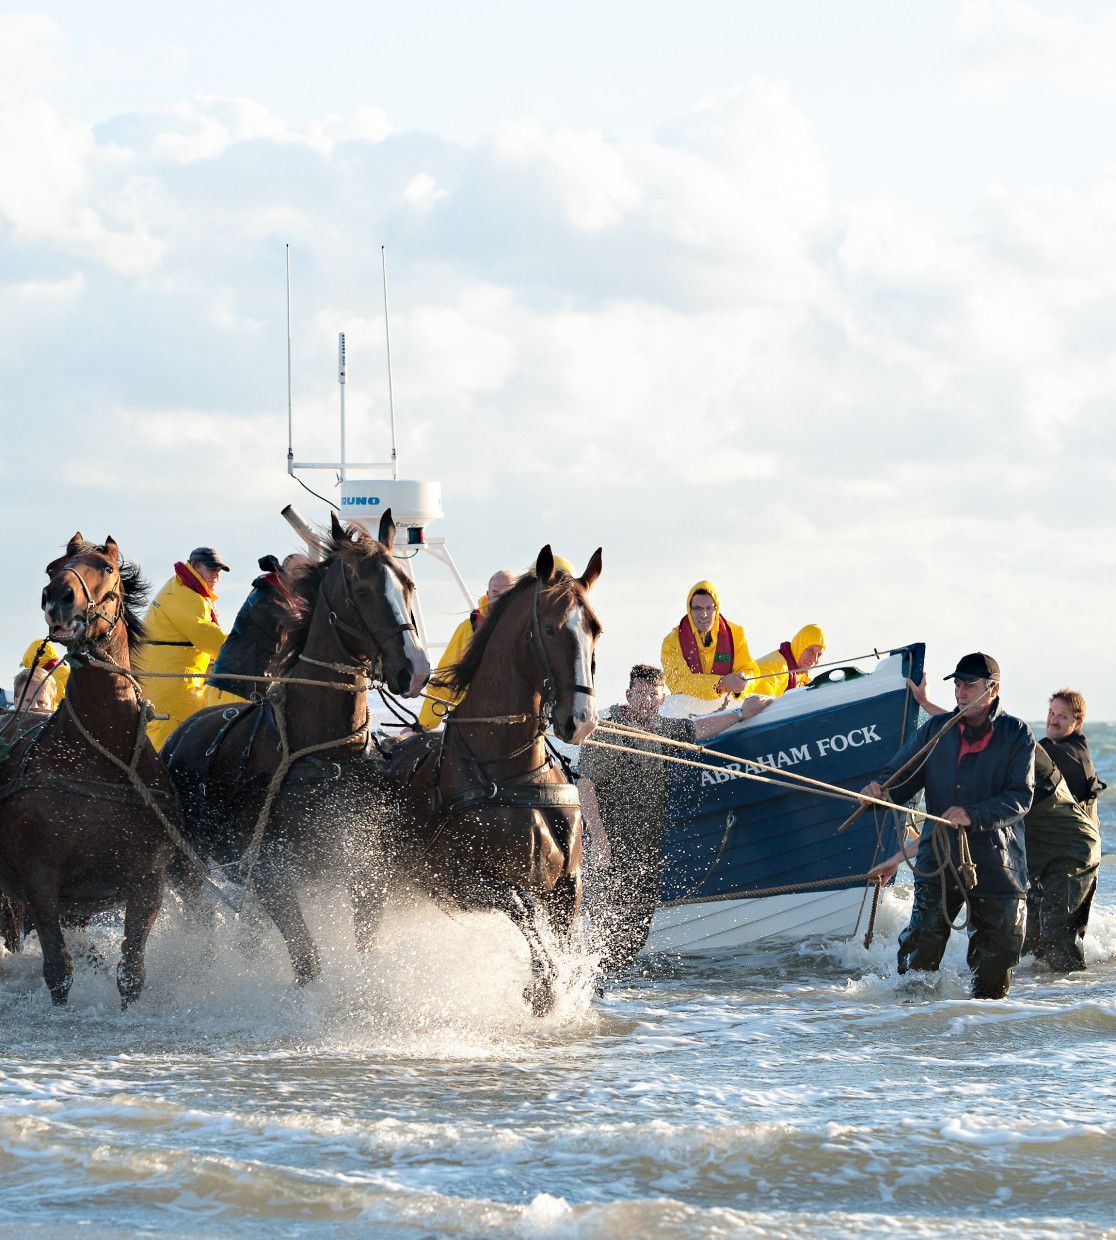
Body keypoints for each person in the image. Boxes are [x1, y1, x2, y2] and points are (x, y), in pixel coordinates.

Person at [861, 653, 1035, 1000]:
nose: (960, 693)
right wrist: (879, 790)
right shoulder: (935, 730)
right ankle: (909, 1037)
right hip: (938, 860)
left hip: (998, 867)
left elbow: (1021, 796)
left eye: (968, 685)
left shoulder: (1017, 734)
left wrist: (973, 814)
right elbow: (901, 775)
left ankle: (985, 1045)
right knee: (916, 967)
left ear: (992, 689)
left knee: (993, 978)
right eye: (956, 685)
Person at [578, 663, 770, 971]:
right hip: (609, 848)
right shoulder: (610, 730)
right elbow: (585, 784)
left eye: (653, 693)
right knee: (602, 925)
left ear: (662, 698)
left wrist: (740, 714)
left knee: (633, 932)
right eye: (640, 693)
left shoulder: (663, 729)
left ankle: (613, 995)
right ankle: (586, 985)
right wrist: (599, 838)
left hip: (645, 851)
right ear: (628, 695)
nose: (646, 699)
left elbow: (697, 729)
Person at [137, 547, 229, 750]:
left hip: (174, 684)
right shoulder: (184, 594)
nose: (216, 575)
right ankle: (154, 780)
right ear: (195, 566)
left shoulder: (184, 589)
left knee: (180, 738)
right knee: (167, 741)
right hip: (170, 687)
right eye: (211, 568)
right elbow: (207, 637)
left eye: (219, 571)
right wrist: (243, 649)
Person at [417, 569, 517, 730]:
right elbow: (444, 681)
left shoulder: (529, 631)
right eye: (496, 593)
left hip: (519, 722)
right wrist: (423, 724)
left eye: (508, 594)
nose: (500, 600)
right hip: (475, 722)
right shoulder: (468, 629)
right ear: (488, 594)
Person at [206, 553, 306, 702]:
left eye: (304, 572)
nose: (300, 576)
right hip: (233, 687)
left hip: (249, 688)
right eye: (296, 571)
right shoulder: (267, 594)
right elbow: (288, 625)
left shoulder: (286, 600)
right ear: (280, 572)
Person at [660, 581, 771, 701]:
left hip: (727, 706)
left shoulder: (736, 633)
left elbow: (751, 672)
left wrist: (745, 681)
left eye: (709, 608)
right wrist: (720, 683)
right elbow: (678, 682)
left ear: (716, 608)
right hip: (688, 709)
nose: (704, 614)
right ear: (689, 610)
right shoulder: (671, 642)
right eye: (698, 609)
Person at [1043, 689, 1106, 826]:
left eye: (1062, 716)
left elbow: (1031, 755)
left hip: (1078, 841)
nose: (1053, 720)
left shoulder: (1070, 752)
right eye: (1051, 713)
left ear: (1077, 723)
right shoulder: (1053, 744)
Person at [755, 624, 827, 696]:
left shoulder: (800, 677)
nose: (814, 659)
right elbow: (760, 702)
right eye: (810, 651)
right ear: (799, 646)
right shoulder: (775, 668)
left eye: (819, 654)